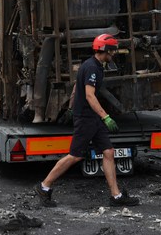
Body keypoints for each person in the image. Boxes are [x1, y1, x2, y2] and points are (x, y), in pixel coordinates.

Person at [34, 33, 139, 208]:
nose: (113, 54)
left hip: (93, 118)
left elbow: (77, 86)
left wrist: (70, 106)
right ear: (104, 50)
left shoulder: (94, 66)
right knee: (75, 155)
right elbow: (90, 95)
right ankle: (44, 186)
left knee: (108, 152)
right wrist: (105, 116)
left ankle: (116, 196)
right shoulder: (92, 68)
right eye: (111, 50)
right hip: (86, 118)